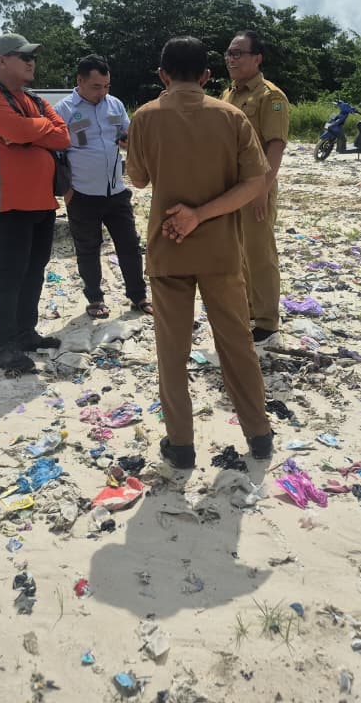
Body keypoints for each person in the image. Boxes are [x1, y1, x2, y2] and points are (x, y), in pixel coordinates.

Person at [126, 36, 275, 469]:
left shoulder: (146, 117)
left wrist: (186, 214)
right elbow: (254, 183)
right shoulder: (230, 116)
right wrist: (203, 213)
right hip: (222, 252)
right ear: (208, 76)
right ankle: (259, 434)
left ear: (162, 75)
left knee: (171, 353)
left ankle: (182, 445)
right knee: (237, 345)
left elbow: (137, 179)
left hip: (168, 249)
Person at [0, 33, 70, 374]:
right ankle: (6, 346)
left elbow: (63, 135)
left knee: (34, 270)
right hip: (8, 201)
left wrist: (27, 131)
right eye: (22, 56)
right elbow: (29, 130)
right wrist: (32, 130)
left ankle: (26, 333)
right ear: (1, 61)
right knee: (10, 273)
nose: (31, 62)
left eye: (33, 56)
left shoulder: (36, 101)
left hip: (42, 201)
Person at [54, 54, 151, 319]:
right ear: (80, 81)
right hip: (82, 194)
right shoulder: (63, 110)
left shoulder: (115, 105)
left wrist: (132, 141)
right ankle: (95, 299)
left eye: (106, 86)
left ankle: (138, 296)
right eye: (96, 87)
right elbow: (57, 155)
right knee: (88, 248)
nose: (102, 92)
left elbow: (125, 135)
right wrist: (68, 192)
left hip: (116, 191)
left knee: (130, 244)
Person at [220, 30, 289, 346]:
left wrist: (263, 188)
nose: (231, 59)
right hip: (229, 189)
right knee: (237, 253)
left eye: (238, 53)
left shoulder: (271, 97)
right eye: (229, 54)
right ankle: (247, 310)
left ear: (257, 58)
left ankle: (266, 322)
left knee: (260, 253)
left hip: (255, 186)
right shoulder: (228, 94)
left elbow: (275, 147)